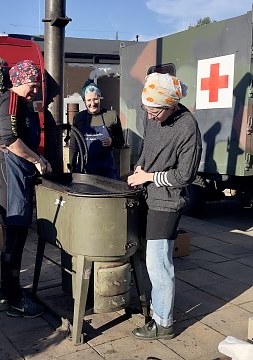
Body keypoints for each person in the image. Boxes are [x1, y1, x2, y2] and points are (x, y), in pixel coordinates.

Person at [127, 72, 202, 340]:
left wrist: (149, 177)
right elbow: (149, 146)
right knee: (150, 261)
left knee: (159, 265)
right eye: (146, 110)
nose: (149, 116)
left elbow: (185, 176)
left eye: (155, 112)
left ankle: (164, 323)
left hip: (167, 202)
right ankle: (157, 310)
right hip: (148, 195)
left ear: (171, 105)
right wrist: (140, 164)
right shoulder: (153, 116)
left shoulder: (187, 128)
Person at [0, 60, 52, 318]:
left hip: (17, 175)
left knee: (17, 237)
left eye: (37, 86)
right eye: (32, 85)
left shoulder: (23, 104)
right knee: (15, 238)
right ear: (18, 82)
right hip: (8, 176)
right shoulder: (11, 101)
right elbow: (10, 140)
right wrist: (37, 160)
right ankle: (14, 297)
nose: (35, 90)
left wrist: (40, 157)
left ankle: (8, 289)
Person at [69, 80, 125, 179]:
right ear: (84, 101)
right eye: (89, 100)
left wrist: (112, 141)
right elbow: (73, 146)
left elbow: (121, 142)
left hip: (107, 173)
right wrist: (72, 168)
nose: (92, 103)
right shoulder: (78, 118)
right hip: (84, 172)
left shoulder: (111, 115)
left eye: (95, 99)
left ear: (100, 98)